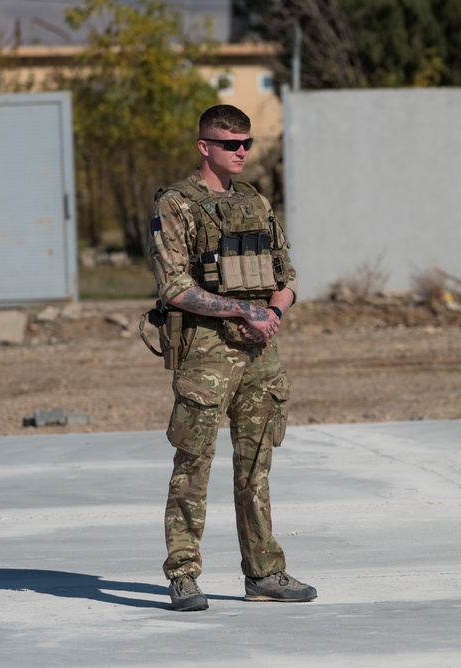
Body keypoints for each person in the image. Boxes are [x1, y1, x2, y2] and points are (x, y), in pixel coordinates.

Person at [148, 104, 316, 612]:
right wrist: (244, 309)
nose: (241, 151)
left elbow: (287, 278)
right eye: (230, 144)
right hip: (206, 352)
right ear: (205, 147)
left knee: (256, 465)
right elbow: (175, 287)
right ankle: (182, 574)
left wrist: (271, 315)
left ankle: (265, 572)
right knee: (193, 464)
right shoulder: (176, 204)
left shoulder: (256, 202)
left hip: (260, 349)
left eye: (246, 143)